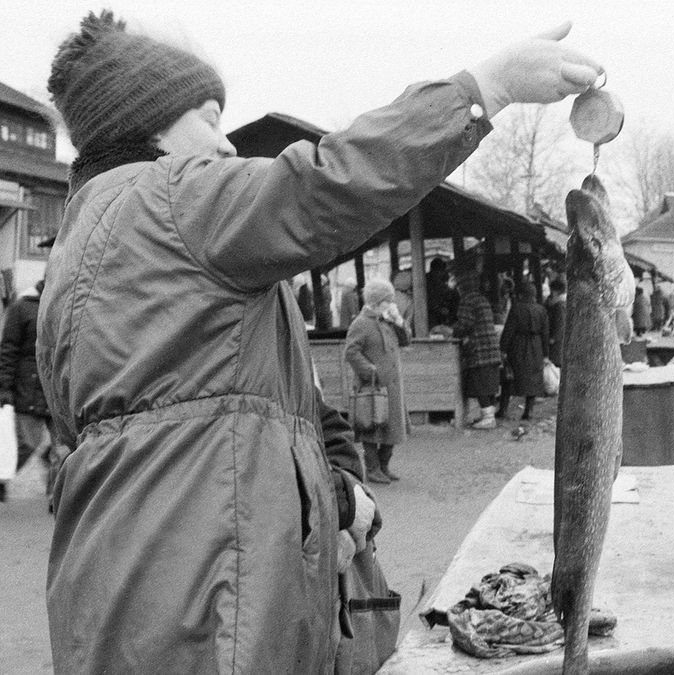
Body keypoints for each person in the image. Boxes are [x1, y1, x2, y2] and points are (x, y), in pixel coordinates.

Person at [37, 10, 602, 672]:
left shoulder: (81, 250)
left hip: (118, 598)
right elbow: (332, 179)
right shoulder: (171, 199)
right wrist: (485, 89)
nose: (225, 148)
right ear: (151, 123)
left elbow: (208, 426)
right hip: (204, 613)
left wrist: (332, 492)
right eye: (211, 119)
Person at [344, 278, 411, 485]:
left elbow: (406, 340)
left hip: (392, 386)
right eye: (387, 301)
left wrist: (399, 322)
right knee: (371, 428)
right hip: (372, 385)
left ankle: (383, 466)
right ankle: (372, 469)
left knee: (393, 427)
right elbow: (351, 351)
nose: (391, 305)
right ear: (375, 302)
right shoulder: (361, 323)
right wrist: (369, 371)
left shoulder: (388, 320)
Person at [0, 279, 57, 504]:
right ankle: (1, 476)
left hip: (55, 388)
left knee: (63, 448)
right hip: (27, 387)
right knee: (27, 443)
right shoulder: (22, 307)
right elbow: (8, 350)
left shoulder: (63, 302)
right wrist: (4, 387)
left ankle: (57, 498)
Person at [455, 267, 505, 429]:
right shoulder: (482, 299)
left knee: (480, 382)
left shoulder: (468, 300)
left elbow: (465, 324)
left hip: (479, 349)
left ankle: (488, 418)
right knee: (488, 383)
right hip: (490, 347)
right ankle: (489, 415)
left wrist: (451, 330)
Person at [498, 281, 550, 421]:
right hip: (536, 346)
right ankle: (528, 411)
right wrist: (546, 353)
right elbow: (545, 333)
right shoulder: (541, 310)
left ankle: (503, 410)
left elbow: (509, 330)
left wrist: (503, 349)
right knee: (533, 378)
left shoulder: (516, 308)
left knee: (510, 377)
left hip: (518, 346)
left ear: (521, 294)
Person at [544, 277, 567, 367]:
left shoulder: (559, 305)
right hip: (559, 343)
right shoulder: (560, 303)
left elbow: (560, 324)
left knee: (555, 368)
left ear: (555, 291)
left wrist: (552, 339)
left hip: (556, 344)